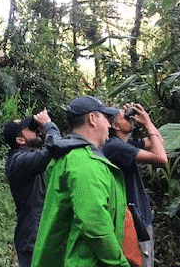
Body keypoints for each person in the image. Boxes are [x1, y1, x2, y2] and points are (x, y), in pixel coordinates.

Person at [31, 95, 130, 267]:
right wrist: (119, 263)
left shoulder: (65, 155)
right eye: (105, 118)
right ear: (92, 119)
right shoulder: (85, 162)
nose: (108, 125)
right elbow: (94, 225)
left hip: (63, 257)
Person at [103, 103, 168, 267]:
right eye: (125, 117)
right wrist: (146, 123)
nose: (130, 118)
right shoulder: (115, 146)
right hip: (133, 222)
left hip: (136, 218)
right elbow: (161, 159)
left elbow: (157, 141)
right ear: (115, 125)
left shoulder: (123, 144)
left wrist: (146, 123)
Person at [3, 109, 61, 267]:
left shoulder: (31, 157)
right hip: (33, 237)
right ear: (20, 140)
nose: (35, 130)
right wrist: (48, 125)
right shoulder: (19, 161)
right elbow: (57, 148)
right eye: (30, 129)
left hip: (42, 234)